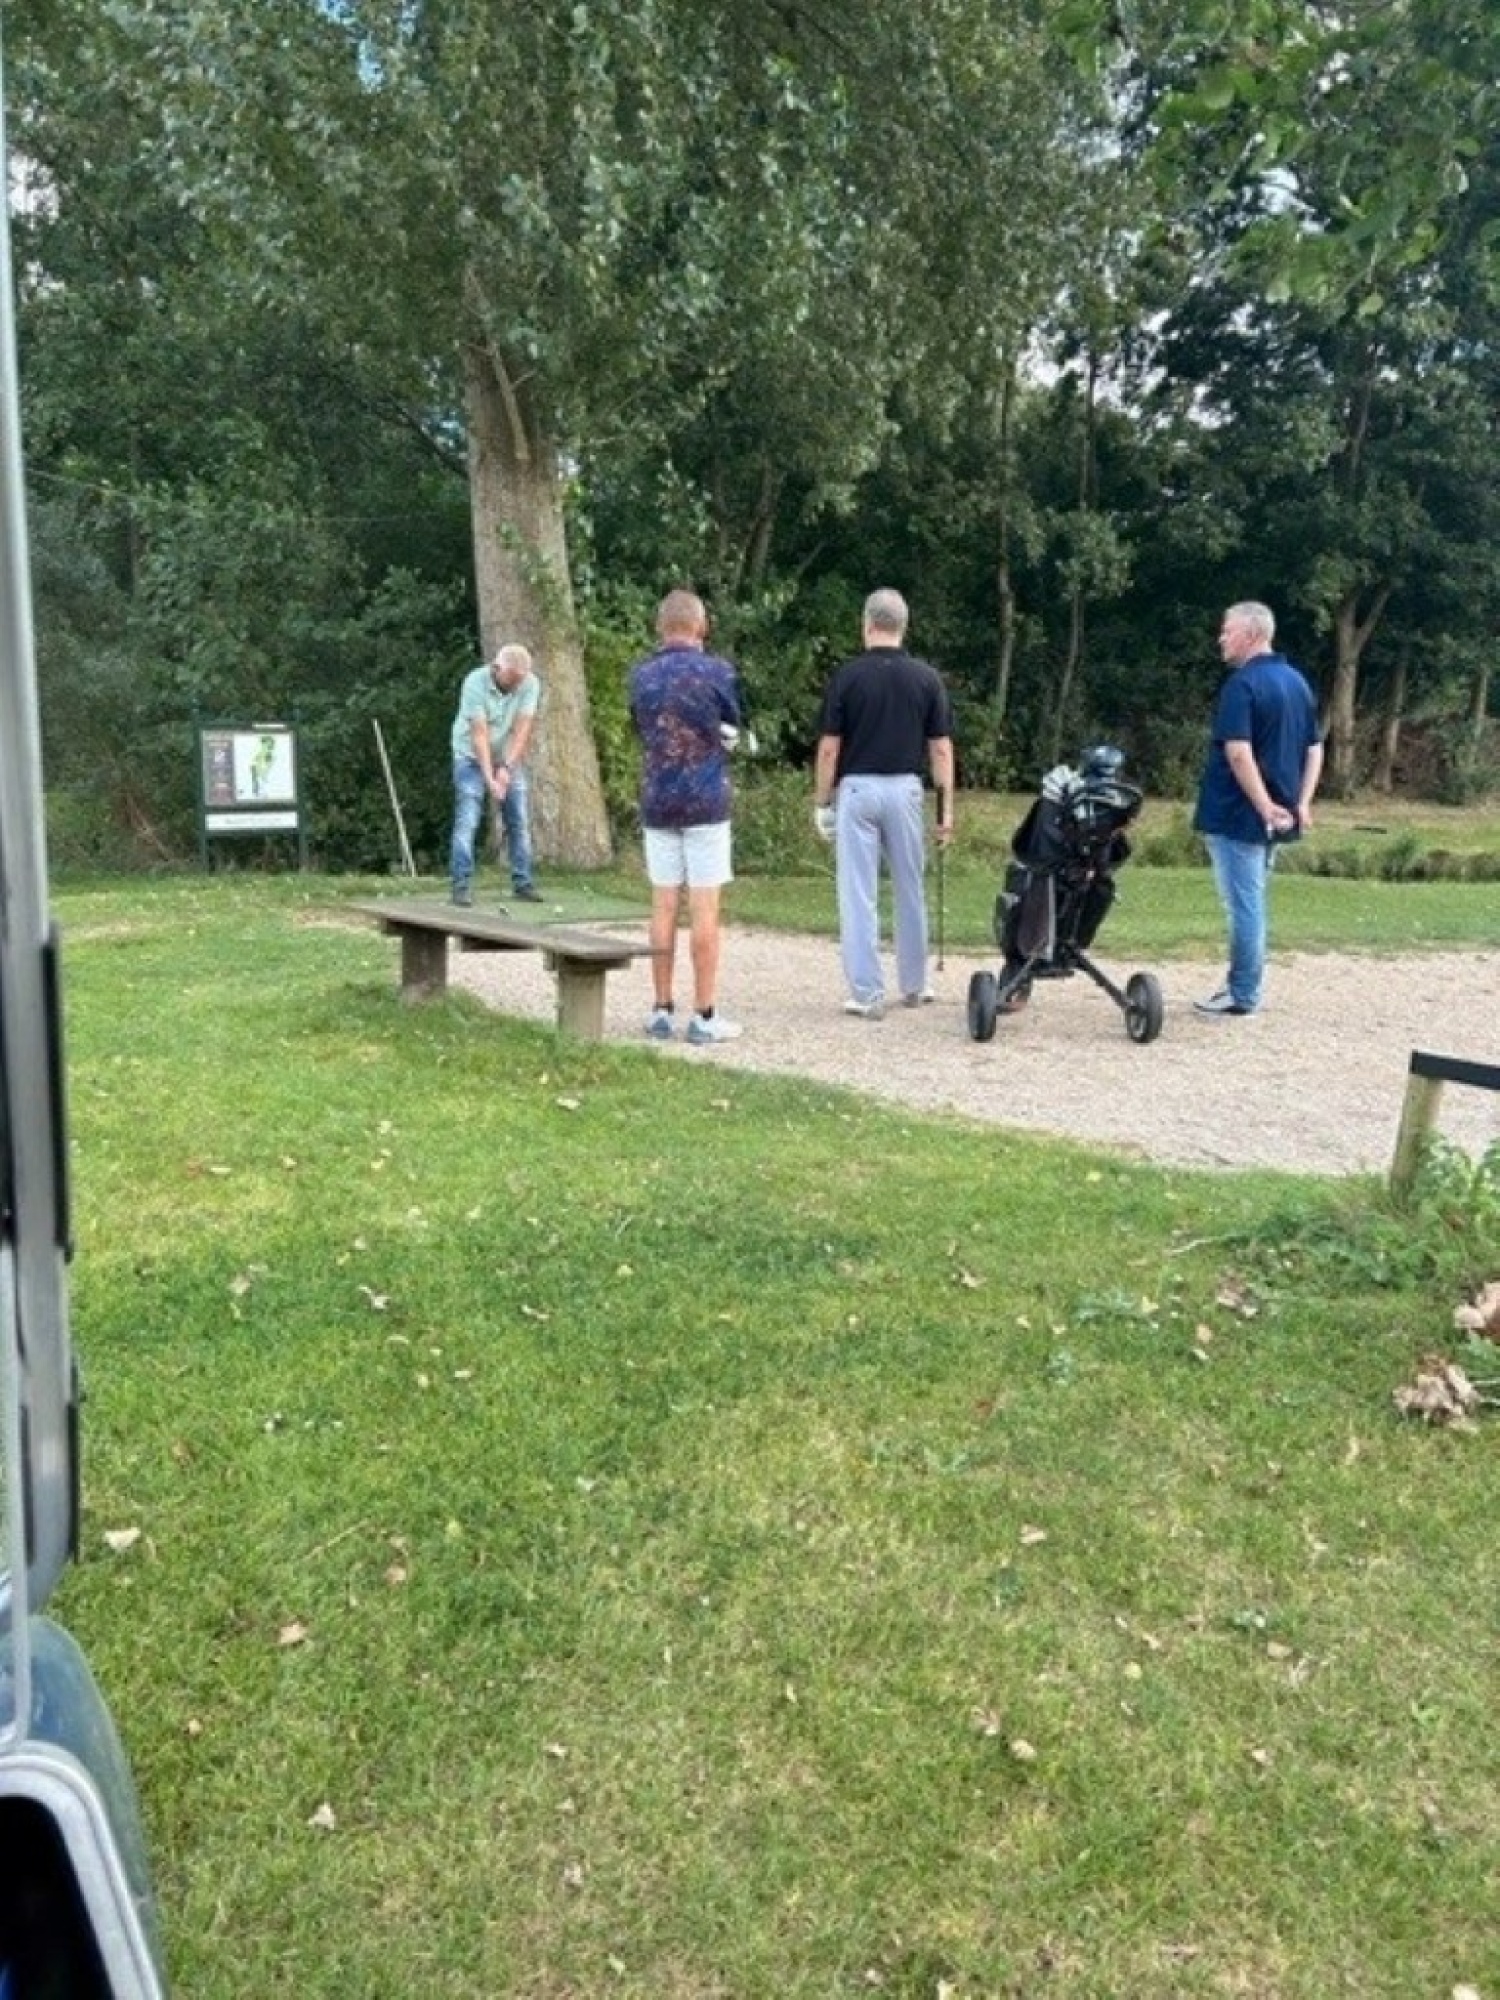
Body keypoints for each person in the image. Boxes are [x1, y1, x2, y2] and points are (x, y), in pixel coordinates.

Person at [813, 588, 955, 1020]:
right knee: (910, 887)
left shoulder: (848, 677)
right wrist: (945, 810)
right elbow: (941, 749)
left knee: (859, 892)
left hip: (858, 788)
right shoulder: (926, 678)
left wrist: (823, 801)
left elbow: (829, 749)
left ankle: (867, 992)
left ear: (867, 624)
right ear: (902, 626)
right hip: (906, 790)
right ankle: (914, 984)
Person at [1192, 600, 1323, 1017]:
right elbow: (1314, 748)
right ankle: (1242, 987)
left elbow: (1238, 751)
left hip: (1239, 814)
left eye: (1227, 630)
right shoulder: (1296, 682)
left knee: (1244, 906)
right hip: (1277, 814)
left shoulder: (1242, 685)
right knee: (1252, 899)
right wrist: (1302, 802)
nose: (1221, 638)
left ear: (1250, 634)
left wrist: (1264, 805)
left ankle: (1242, 992)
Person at [629, 590, 745, 1045]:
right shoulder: (718, 673)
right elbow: (732, 727)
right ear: (701, 626)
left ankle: (661, 1008)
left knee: (663, 904)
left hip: (658, 797)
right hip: (706, 798)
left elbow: (641, 728)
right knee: (704, 908)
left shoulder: (642, 676)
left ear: (661, 627)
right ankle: (704, 1013)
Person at [449, 642, 542, 908]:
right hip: (469, 756)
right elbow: (479, 735)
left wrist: (507, 769)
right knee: (468, 819)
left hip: (506, 756)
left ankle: (523, 883)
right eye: (511, 679)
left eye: (520, 680)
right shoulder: (475, 683)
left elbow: (522, 730)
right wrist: (490, 778)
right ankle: (461, 886)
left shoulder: (530, 683)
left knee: (518, 821)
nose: (515, 685)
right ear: (497, 668)